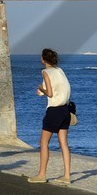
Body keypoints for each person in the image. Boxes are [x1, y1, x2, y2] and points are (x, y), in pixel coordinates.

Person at [31, 48, 73, 186]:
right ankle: (67, 176)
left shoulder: (45, 72)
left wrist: (42, 89)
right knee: (63, 143)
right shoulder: (60, 71)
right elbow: (61, 88)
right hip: (65, 109)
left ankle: (42, 174)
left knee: (43, 142)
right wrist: (42, 91)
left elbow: (49, 92)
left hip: (54, 110)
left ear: (43, 59)